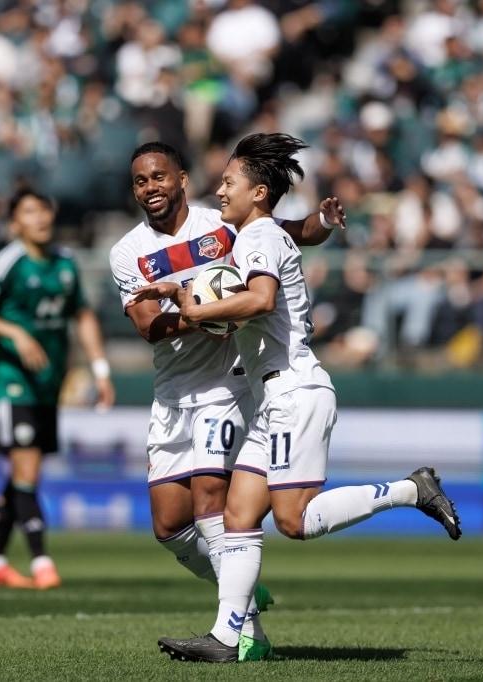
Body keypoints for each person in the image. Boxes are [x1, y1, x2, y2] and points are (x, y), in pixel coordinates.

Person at [132, 133, 461, 663]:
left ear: (258, 193)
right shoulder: (248, 237)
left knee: (295, 521)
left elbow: (260, 299)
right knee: (237, 516)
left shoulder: (259, 234)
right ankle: (235, 637)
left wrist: (194, 311)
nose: (220, 191)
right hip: (272, 397)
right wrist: (178, 293)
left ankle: (410, 489)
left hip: (294, 390)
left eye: (229, 183)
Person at [109, 141, 345, 661]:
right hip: (172, 394)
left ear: (182, 179)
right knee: (169, 526)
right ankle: (237, 585)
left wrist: (322, 224)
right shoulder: (126, 252)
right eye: (140, 181)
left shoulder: (224, 224)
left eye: (158, 177)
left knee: (211, 497)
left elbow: (286, 236)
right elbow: (149, 328)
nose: (150, 188)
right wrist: (204, 314)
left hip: (228, 386)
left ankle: (235, 625)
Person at [0, 188, 114, 590]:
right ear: (15, 223)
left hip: (48, 384)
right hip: (11, 381)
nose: (41, 217)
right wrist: (14, 332)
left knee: (22, 474)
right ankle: (42, 562)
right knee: (27, 469)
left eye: (45, 208)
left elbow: (83, 315)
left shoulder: (66, 264)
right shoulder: (9, 260)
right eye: (30, 211)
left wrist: (100, 370)